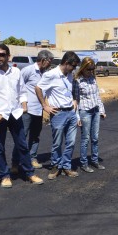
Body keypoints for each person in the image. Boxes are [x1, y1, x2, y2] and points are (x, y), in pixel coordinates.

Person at [0, 43, 44, 188]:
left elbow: (22, 91)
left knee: (22, 145)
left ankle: (30, 173)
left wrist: (24, 106)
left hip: (15, 113)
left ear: (8, 56)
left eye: (2, 54)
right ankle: (4, 175)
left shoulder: (16, 72)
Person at [35, 51, 80, 180]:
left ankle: (66, 166)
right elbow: (38, 88)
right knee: (57, 143)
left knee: (70, 142)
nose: (74, 68)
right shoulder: (51, 75)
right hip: (58, 113)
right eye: (73, 66)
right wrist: (45, 105)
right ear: (66, 63)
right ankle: (56, 166)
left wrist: (74, 100)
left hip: (71, 112)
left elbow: (70, 90)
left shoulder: (69, 75)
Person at [11, 50, 54, 173]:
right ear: (43, 60)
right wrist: (20, 105)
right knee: (21, 137)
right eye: (49, 62)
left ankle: (32, 158)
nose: (50, 64)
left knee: (35, 136)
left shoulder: (46, 73)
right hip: (27, 111)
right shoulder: (28, 70)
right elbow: (18, 87)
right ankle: (15, 162)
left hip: (39, 110)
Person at [73, 57, 106, 173]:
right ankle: (84, 163)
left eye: (92, 70)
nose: (90, 72)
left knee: (95, 138)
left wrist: (102, 110)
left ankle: (95, 160)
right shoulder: (77, 81)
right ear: (83, 68)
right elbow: (75, 100)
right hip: (85, 112)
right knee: (85, 138)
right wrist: (77, 117)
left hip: (95, 110)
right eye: (88, 70)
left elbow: (97, 96)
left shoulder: (93, 78)